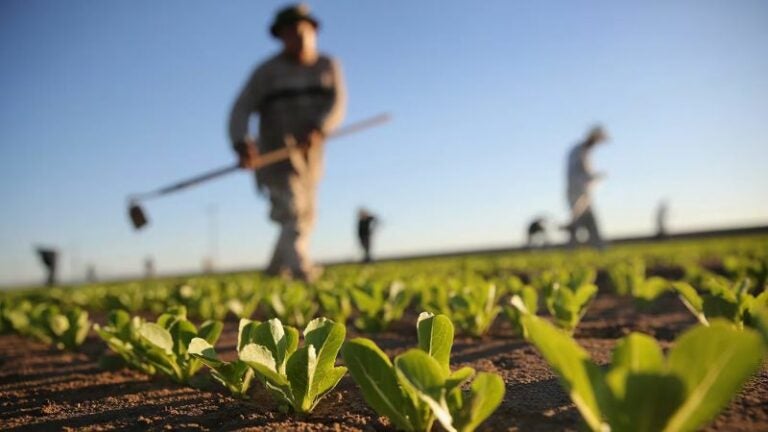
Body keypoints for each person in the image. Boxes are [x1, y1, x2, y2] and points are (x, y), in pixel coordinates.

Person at [228, 4, 346, 282]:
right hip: (275, 155)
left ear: (313, 31)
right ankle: (300, 270)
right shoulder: (266, 73)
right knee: (291, 210)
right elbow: (240, 109)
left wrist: (320, 127)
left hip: (311, 157)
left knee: (305, 215)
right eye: (290, 32)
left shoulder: (328, 66)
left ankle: (274, 270)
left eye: (302, 30)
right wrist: (241, 142)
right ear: (281, 36)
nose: (298, 37)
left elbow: (337, 104)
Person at [564, 126, 608, 248]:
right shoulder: (580, 151)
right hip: (578, 194)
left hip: (582, 194)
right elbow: (581, 174)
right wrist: (596, 176)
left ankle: (599, 248)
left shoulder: (582, 151)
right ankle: (573, 251)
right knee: (578, 224)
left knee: (588, 223)